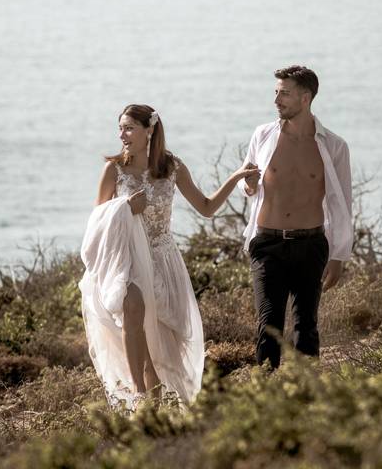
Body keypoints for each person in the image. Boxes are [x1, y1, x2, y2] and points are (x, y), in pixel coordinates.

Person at [80, 104, 259, 407]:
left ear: (149, 130)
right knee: (132, 308)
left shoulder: (172, 167)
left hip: (163, 260)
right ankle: (139, 397)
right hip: (127, 259)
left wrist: (236, 177)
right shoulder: (114, 169)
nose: (122, 135)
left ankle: (157, 402)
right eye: (120, 128)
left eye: (129, 128)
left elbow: (206, 207)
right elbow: (96, 222)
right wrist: (123, 208)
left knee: (161, 345)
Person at [239, 65, 353, 368]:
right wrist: (247, 185)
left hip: (311, 244)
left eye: (284, 94)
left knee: (306, 328)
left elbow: (343, 203)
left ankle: (306, 401)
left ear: (306, 98)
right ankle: (264, 399)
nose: (277, 100)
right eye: (276, 92)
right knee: (268, 326)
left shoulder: (334, 146)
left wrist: (339, 255)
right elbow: (247, 180)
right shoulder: (262, 135)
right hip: (267, 243)